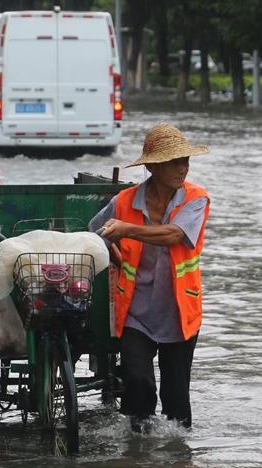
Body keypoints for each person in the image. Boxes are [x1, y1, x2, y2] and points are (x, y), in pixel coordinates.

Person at [89, 123, 210, 431]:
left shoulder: (196, 199)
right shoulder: (125, 201)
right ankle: (137, 457)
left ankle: (178, 465)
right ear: (154, 167)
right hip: (136, 313)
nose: (182, 169)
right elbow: (95, 233)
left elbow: (174, 235)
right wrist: (113, 251)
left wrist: (127, 230)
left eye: (185, 161)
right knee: (138, 384)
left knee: (176, 402)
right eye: (175, 162)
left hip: (179, 313)